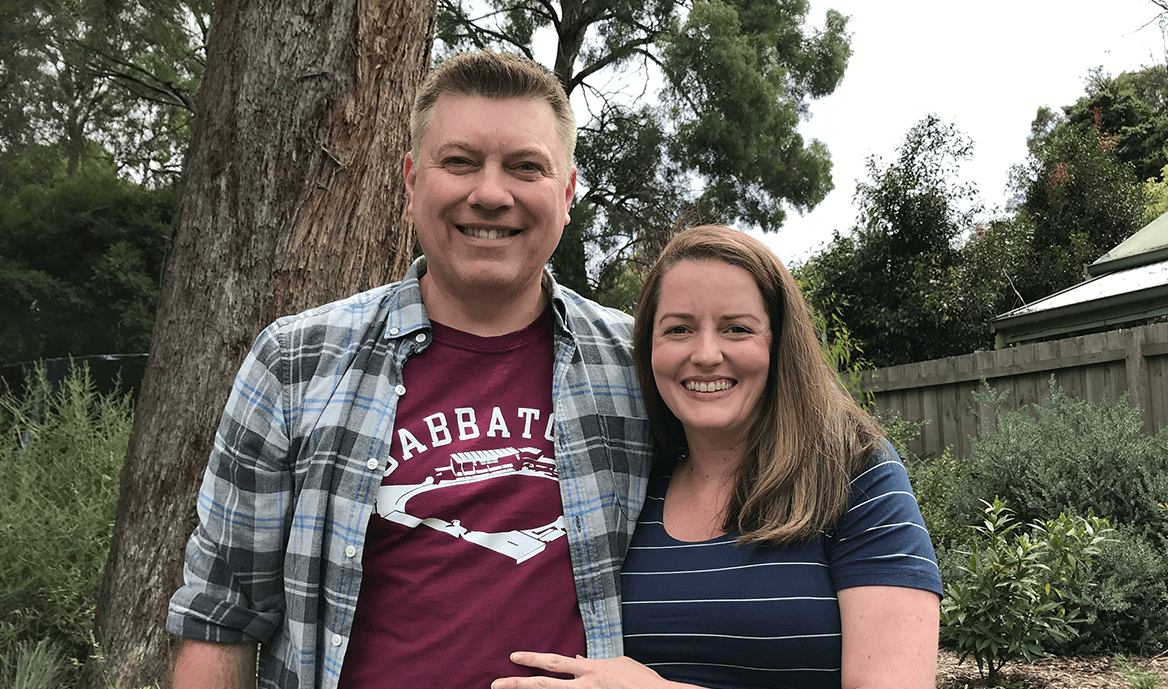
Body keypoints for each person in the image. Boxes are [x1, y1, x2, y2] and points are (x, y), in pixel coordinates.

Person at [167, 51, 653, 689]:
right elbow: (222, 615)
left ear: (565, 194)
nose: (489, 193)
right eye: (458, 162)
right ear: (410, 183)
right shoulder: (295, 362)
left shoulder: (639, 365)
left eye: (525, 167)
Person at [495, 225, 942, 689]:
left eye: (737, 329)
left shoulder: (854, 474)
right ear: (649, 347)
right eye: (679, 329)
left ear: (778, 343)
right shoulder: (633, 481)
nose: (706, 354)